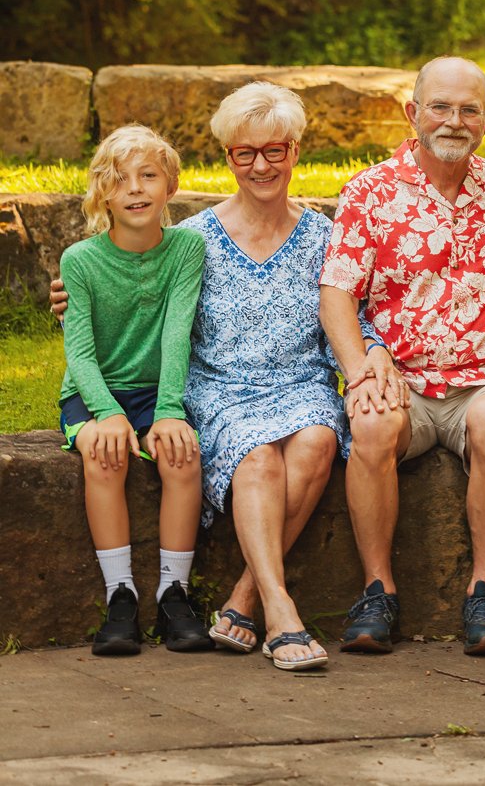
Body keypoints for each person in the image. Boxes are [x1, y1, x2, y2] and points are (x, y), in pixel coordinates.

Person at [318, 55, 485, 657]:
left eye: (469, 110)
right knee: (368, 425)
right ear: (412, 113)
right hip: (402, 378)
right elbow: (338, 291)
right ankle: (377, 591)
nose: (453, 120)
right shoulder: (370, 192)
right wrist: (360, 369)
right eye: (440, 107)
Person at [188, 83, 349, 674]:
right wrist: (73, 299)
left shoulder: (323, 236)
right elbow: (136, 298)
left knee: (318, 440)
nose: (261, 165)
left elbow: (347, 321)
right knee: (257, 457)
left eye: (274, 150)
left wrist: (370, 363)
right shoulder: (193, 240)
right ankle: (281, 611)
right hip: (220, 388)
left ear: (295, 151)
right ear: (228, 157)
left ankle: (245, 598)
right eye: (244, 153)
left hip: (302, 384)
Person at [59, 125, 210, 656]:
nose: (137, 189)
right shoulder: (79, 261)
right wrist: (106, 412)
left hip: (156, 388)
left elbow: (176, 332)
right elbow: (78, 352)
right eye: (121, 180)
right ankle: (119, 595)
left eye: (149, 175)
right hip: (93, 387)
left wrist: (169, 410)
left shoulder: (188, 249)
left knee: (182, 456)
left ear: (170, 186)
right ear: (103, 193)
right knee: (104, 456)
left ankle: (175, 593)